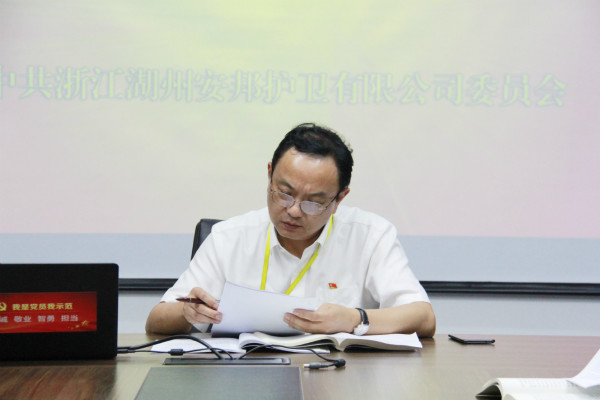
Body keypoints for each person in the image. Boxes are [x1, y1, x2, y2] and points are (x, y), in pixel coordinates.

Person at [145, 123, 436, 337]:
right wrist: (187, 312)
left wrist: (354, 318)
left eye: (313, 202)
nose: (294, 210)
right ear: (269, 174)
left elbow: (424, 318)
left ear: (339, 199)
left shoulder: (370, 236)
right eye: (284, 194)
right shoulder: (229, 237)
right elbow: (155, 321)